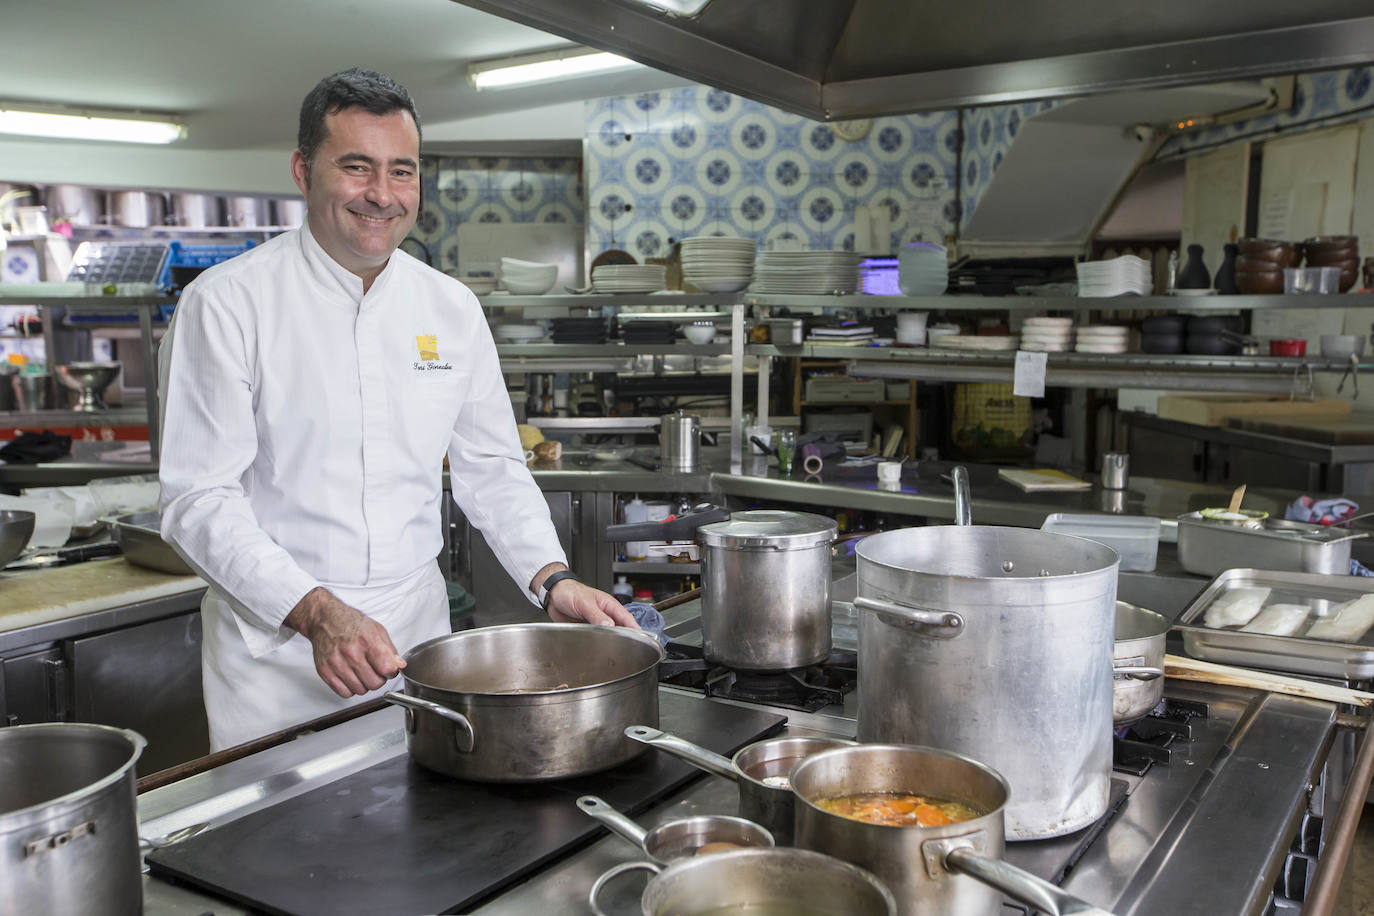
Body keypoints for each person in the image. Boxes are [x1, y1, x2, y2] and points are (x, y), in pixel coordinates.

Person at [158, 68, 635, 751]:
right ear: (303, 170)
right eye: (356, 167)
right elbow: (198, 498)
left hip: (417, 645)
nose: (381, 195)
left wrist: (550, 578)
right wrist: (318, 613)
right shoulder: (229, 303)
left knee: (419, 829)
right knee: (277, 850)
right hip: (275, 655)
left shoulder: (450, 307)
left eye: (401, 171)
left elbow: (492, 467)